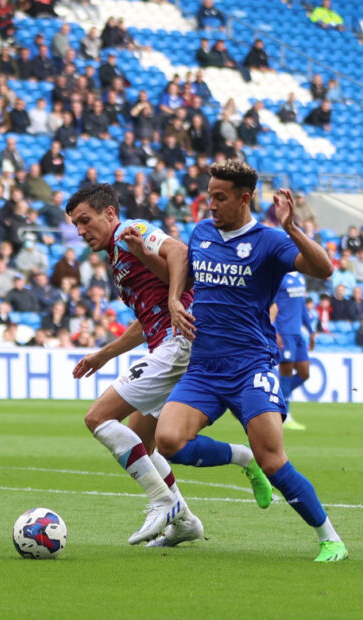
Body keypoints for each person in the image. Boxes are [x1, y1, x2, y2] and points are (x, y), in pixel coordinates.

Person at [154, 162, 347, 562]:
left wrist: (292, 228)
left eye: (220, 198)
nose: (211, 205)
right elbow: (184, 272)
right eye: (209, 196)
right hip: (204, 368)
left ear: (245, 198)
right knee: (168, 441)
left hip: (250, 368)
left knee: (273, 460)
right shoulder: (202, 232)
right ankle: (241, 458)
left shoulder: (270, 241)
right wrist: (173, 299)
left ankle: (330, 539)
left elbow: (324, 269)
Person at [66, 183, 272, 547]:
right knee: (143, 443)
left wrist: (176, 300)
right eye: (75, 225)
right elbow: (146, 318)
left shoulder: (132, 230)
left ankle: (163, 501)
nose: (81, 231)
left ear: (109, 213)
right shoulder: (119, 253)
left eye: (85, 220)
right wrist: (104, 354)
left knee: (98, 418)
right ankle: (188, 520)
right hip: (170, 342)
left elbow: (179, 252)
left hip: (178, 343)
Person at [271, 270, 312, 431]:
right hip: (284, 332)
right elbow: (271, 305)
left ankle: (275, 395)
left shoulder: (300, 277)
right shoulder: (280, 276)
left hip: (298, 332)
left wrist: (311, 330)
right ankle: (285, 415)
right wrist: (274, 331)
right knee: (286, 371)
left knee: (304, 373)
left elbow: (301, 305)